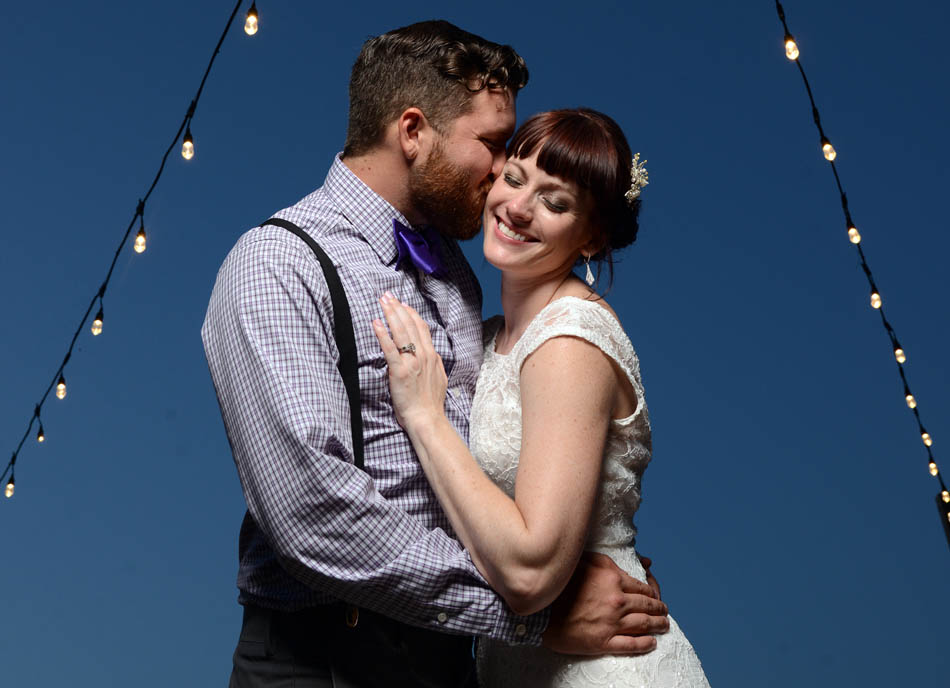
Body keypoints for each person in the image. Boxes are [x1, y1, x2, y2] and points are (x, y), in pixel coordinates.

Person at [202, 22, 670, 688]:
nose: (503, 170)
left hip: (449, 658)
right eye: (492, 145)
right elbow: (313, 515)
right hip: (322, 661)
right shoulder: (277, 265)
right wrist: (530, 615)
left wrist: (593, 552)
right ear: (414, 131)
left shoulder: (457, 271)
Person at [372, 108, 710, 687]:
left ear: (592, 237)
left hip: (603, 666)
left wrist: (425, 416)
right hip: (526, 660)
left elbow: (529, 569)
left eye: (556, 203)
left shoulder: (571, 338)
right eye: (515, 178)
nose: (519, 209)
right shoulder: (491, 336)